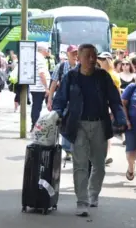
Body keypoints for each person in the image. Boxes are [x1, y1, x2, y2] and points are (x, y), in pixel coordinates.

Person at [52, 44, 126, 217]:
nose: (92, 59)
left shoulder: (103, 77)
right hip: (78, 126)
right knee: (80, 165)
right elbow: (60, 100)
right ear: (79, 58)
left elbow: (115, 100)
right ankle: (82, 201)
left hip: (100, 124)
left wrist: (121, 118)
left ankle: (93, 194)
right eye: (88, 56)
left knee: (99, 166)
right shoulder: (71, 77)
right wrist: (56, 115)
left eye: (94, 56)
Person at [47, 44, 79, 162]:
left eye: (77, 53)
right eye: (73, 53)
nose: (75, 56)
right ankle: (68, 150)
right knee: (65, 124)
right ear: (67, 54)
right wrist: (50, 99)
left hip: (77, 101)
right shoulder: (60, 67)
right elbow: (54, 83)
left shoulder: (81, 67)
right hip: (64, 100)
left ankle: (75, 148)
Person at [97, 51, 122, 165]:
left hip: (108, 106)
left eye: (102, 60)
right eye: (100, 59)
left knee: (107, 131)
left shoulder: (113, 75)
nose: (100, 61)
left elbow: (117, 94)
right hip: (98, 105)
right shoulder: (98, 73)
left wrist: (114, 109)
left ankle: (108, 154)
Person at [30, 42, 51, 132]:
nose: (48, 51)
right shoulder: (40, 58)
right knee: (37, 107)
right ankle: (35, 125)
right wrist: (46, 88)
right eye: (47, 50)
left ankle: (35, 125)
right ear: (43, 50)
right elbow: (41, 73)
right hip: (39, 87)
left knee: (36, 106)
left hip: (36, 86)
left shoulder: (36, 57)